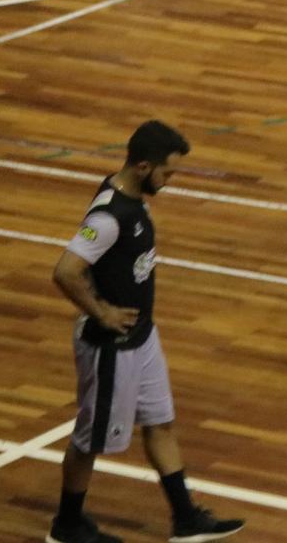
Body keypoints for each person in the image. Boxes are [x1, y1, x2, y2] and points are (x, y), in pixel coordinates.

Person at [49, 121, 244, 543]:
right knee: (90, 439)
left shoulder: (132, 199)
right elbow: (65, 272)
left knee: (161, 423)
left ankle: (186, 518)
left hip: (141, 337)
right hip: (110, 347)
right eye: (166, 173)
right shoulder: (108, 218)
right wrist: (102, 313)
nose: (169, 182)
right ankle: (66, 525)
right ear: (142, 166)